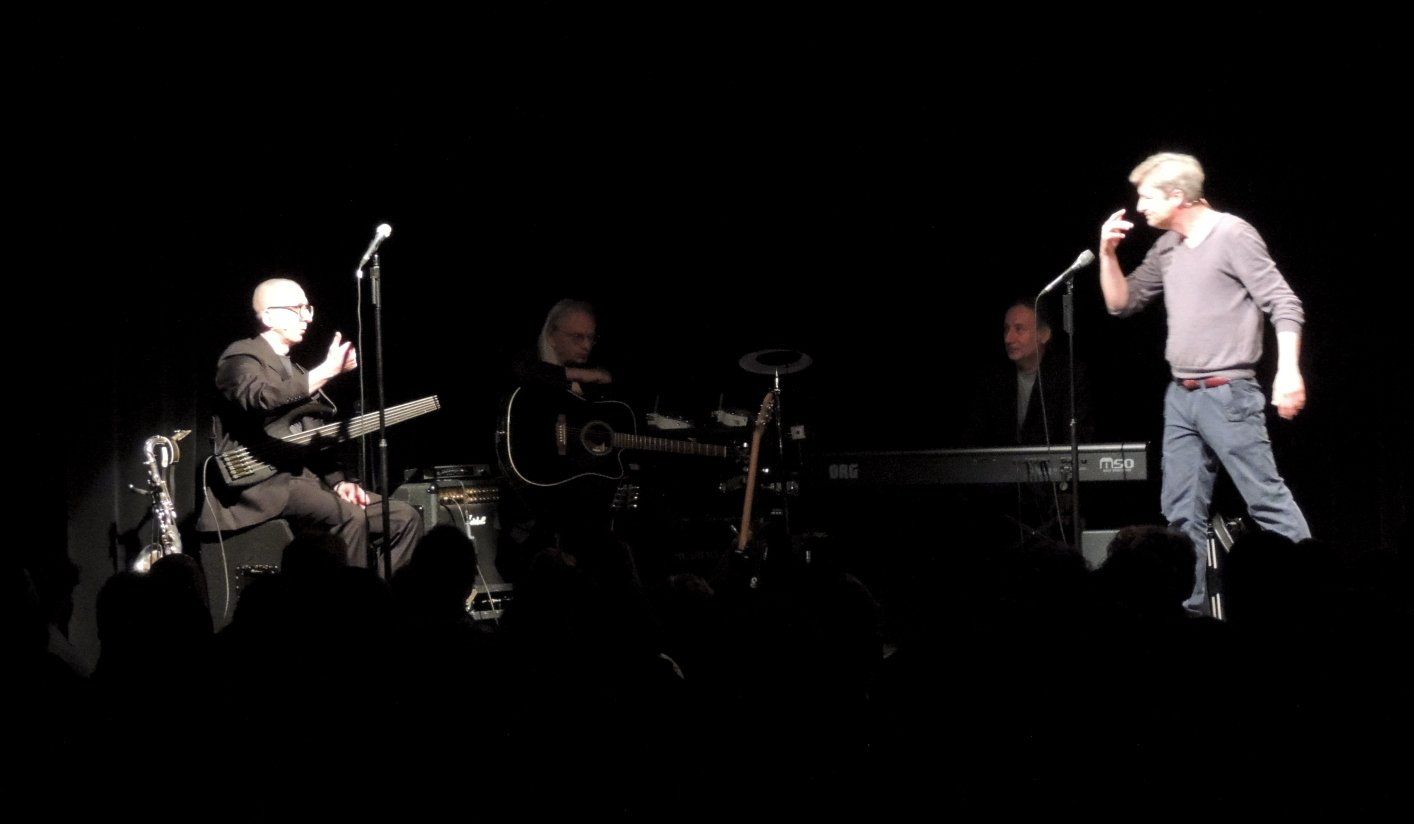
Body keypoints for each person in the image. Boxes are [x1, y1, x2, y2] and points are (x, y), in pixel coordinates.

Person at [1098, 152, 1310, 611]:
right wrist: (1108, 254)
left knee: (1266, 502)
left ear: (1178, 196)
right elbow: (1121, 302)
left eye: (1147, 197)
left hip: (1228, 393)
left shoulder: (1232, 234)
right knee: (1179, 517)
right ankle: (1188, 614)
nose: (1139, 207)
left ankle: (1312, 596)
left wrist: (1289, 371)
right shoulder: (1168, 246)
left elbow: (1283, 303)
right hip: (1181, 397)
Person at [197, 277, 423, 574]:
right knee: (350, 517)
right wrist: (327, 370)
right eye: (297, 309)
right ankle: (347, 600)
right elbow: (262, 398)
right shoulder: (239, 358)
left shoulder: (297, 370)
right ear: (268, 317)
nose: (306, 317)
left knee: (404, 517)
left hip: (305, 482)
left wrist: (340, 482)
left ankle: (383, 597)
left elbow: (313, 440)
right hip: (264, 486)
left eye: (308, 308)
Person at [968, 300, 1093, 446]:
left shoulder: (1069, 375)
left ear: (1044, 334)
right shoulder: (993, 378)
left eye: (1019, 329)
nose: (1008, 339)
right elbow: (974, 437)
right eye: (1006, 329)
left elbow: (1077, 438)